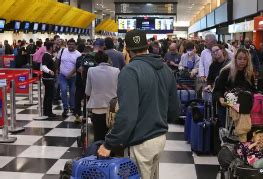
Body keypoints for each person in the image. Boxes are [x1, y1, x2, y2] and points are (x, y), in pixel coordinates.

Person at [97, 29, 180, 179]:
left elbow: (127, 115)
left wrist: (109, 144)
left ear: (127, 49)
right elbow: (175, 110)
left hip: (141, 140)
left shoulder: (130, 71)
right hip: (160, 137)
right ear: (147, 45)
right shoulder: (166, 69)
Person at [213, 48, 255, 128]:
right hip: (228, 103)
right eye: (239, 58)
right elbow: (217, 90)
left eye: (245, 59)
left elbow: (252, 89)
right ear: (235, 59)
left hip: (244, 102)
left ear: (248, 61)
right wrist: (220, 98)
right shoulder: (226, 71)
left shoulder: (249, 73)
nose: (242, 61)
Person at [85, 51, 120, 142]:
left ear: (95, 60)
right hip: (113, 109)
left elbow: (87, 91)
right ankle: (111, 155)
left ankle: (99, 154)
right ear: (107, 59)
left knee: (98, 137)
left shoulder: (91, 70)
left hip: (97, 109)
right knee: (112, 137)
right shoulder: (116, 71)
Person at [58, 39, 81, 117]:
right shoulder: (62, 51)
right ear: (67, 44)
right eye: (69, 44)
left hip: (73, 77)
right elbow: (58, 60)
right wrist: (56, 71)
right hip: (62, 75)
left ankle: (72, 107)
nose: (70, 46)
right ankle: (65, 108)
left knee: (72, 92)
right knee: (63, 90)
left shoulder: (78, 54)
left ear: (75, 45)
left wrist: (71, 74)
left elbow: (78, 66)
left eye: (72, 44)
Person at [41, 41, 57, 118]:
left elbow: (48, 63)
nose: (54, 48)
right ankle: (48, 112)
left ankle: (47, 111)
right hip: (48, 78)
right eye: (53, 46)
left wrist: (54, 58)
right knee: (49, 95)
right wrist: (50, 71)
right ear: (50, 47)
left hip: (48, 78)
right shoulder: (46, 55)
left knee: (48, 95)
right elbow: (43, 66)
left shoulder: (48, 55)